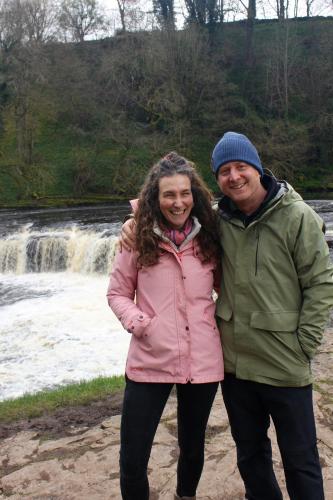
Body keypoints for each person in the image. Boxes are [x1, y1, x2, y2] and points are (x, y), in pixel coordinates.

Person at [121, 133, 333, 500]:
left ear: (257, 167)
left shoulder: (298, 217)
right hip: (235, 366)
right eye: (224, 171)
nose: (234, 177)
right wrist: (136, 216)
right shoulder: (219, 222)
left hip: (285, 361)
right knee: (251, 458)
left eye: (241, 167)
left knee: (300, 460)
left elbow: (321, 283)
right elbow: (173, 206)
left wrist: (305, 343)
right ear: (216, 179)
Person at [107, 152, 224, 500]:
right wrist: (141, 323)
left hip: (202, 362)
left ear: (195, 195)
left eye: (185, 193)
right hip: (149, 361)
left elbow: (227, 288)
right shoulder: (137, 239)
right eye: (169, 195)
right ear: (155, 199)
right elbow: (117, 293)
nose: (178, 202)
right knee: (132, 458)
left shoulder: (210, 238)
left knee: (192, 449)